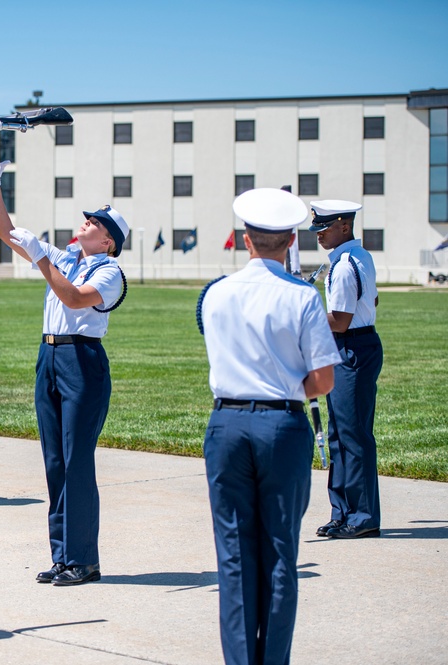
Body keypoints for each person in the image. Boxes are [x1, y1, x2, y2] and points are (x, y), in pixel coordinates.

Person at [0, 143, 128, 586]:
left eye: (96, 224)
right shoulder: (64, 258)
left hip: (82, 360)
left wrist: (42, 258)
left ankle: (84, 560)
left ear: (109, 241)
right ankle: (63, 556)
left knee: (77, 460)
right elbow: (7, 233)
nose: (86, 224)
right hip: (50, 356)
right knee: (55, 460)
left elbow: (74, 298)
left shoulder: (109, 272)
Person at [198, 188, 340, 665]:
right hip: (281, 424)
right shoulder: (301, 296)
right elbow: (322, 378)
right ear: (292, 240)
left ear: (245, 240)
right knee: (281, 553)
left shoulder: (217, 292)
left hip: (227, 423)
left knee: (234, 557)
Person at [310, 200, 384, 539]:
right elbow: (373, 301)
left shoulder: (343, 265)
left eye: (324, 228)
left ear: (344, 224)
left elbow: (339, 321)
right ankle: (343, 512)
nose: (319, 234)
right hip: (354, 344)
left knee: (352, 436)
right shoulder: (358, 257)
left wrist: (303, 319)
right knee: (340, 434)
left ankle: (363, 514)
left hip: (351, 346)